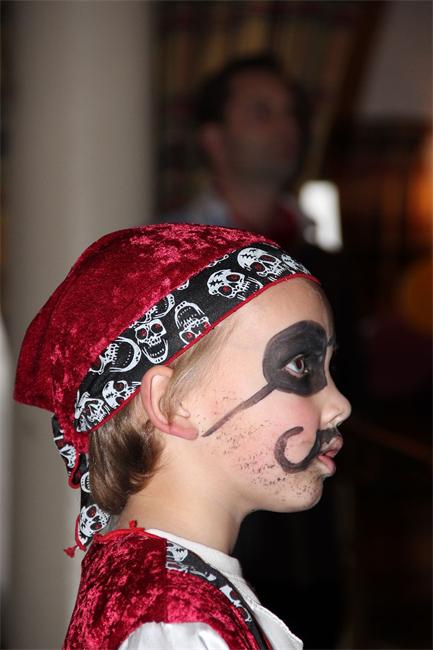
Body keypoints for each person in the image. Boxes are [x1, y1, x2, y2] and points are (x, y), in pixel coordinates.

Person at [14, 223, 351, 649]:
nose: (340, 404)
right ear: (171, 403)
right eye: (300, 364)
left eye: (328, 367)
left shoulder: (161, 591)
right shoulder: (176, 625)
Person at [165, 53, 313, 251]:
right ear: (214, 139)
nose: (288, 126)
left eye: (290, 112)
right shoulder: (170, 246)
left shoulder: (308, 236)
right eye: (261, 113)